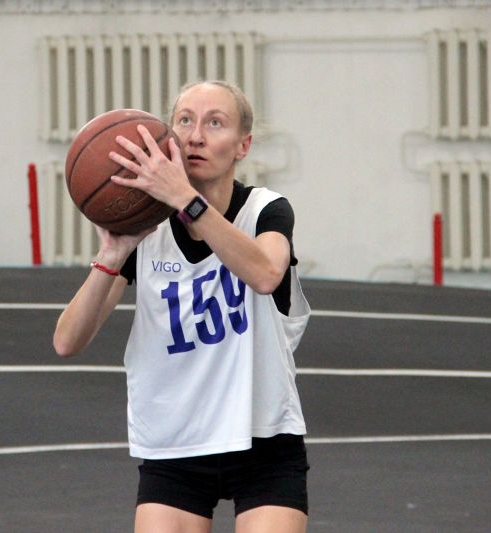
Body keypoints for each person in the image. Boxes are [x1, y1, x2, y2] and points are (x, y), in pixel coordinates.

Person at [53, 80, 311, 533]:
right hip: (175, 447)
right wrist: (111, 255)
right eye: (185, 121)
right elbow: (66, 341)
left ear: (243, 145)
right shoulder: (146, 229)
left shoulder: (266, 211)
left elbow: (265, 274)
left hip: (264, 439)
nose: (196, 136)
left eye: (215, 123)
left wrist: (186, 201)